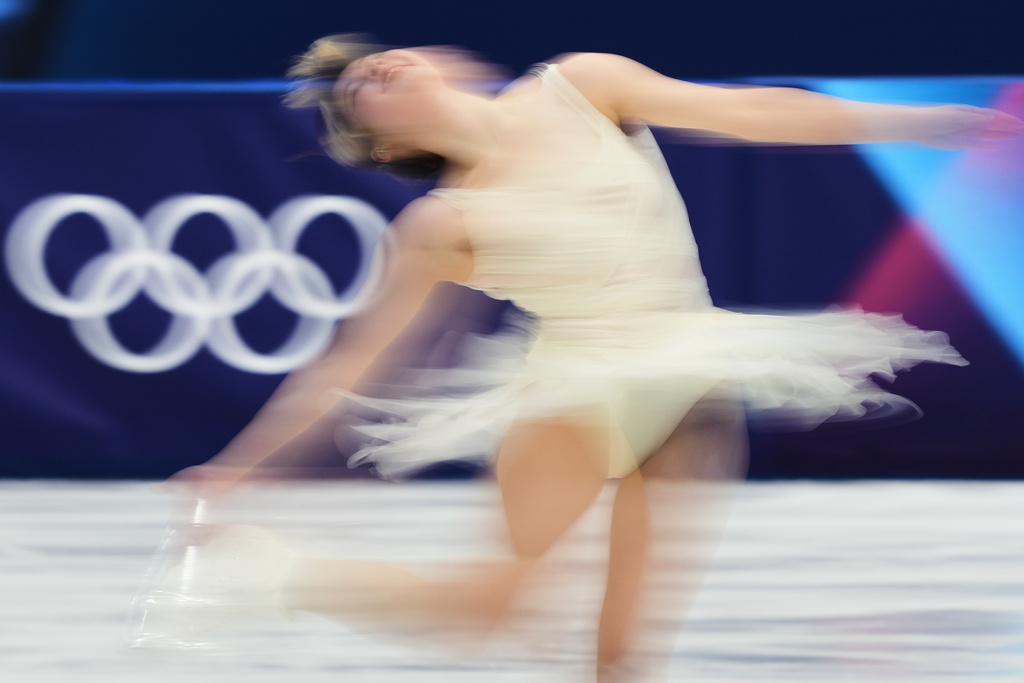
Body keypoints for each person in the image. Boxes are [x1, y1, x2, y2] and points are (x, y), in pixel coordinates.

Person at [156, 35, 1022, 681]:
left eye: (379, 61)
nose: (372, 72)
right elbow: (348, 368)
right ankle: (269, 574)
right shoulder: (443, 224)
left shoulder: (582, 84)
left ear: (444, 61)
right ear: (385, 149)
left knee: (625, 658)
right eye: (357, 93)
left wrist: (915, 121)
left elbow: (749, 112)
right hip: (571, 393)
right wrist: (237, 468)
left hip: (690, 368)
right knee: (492, 613)